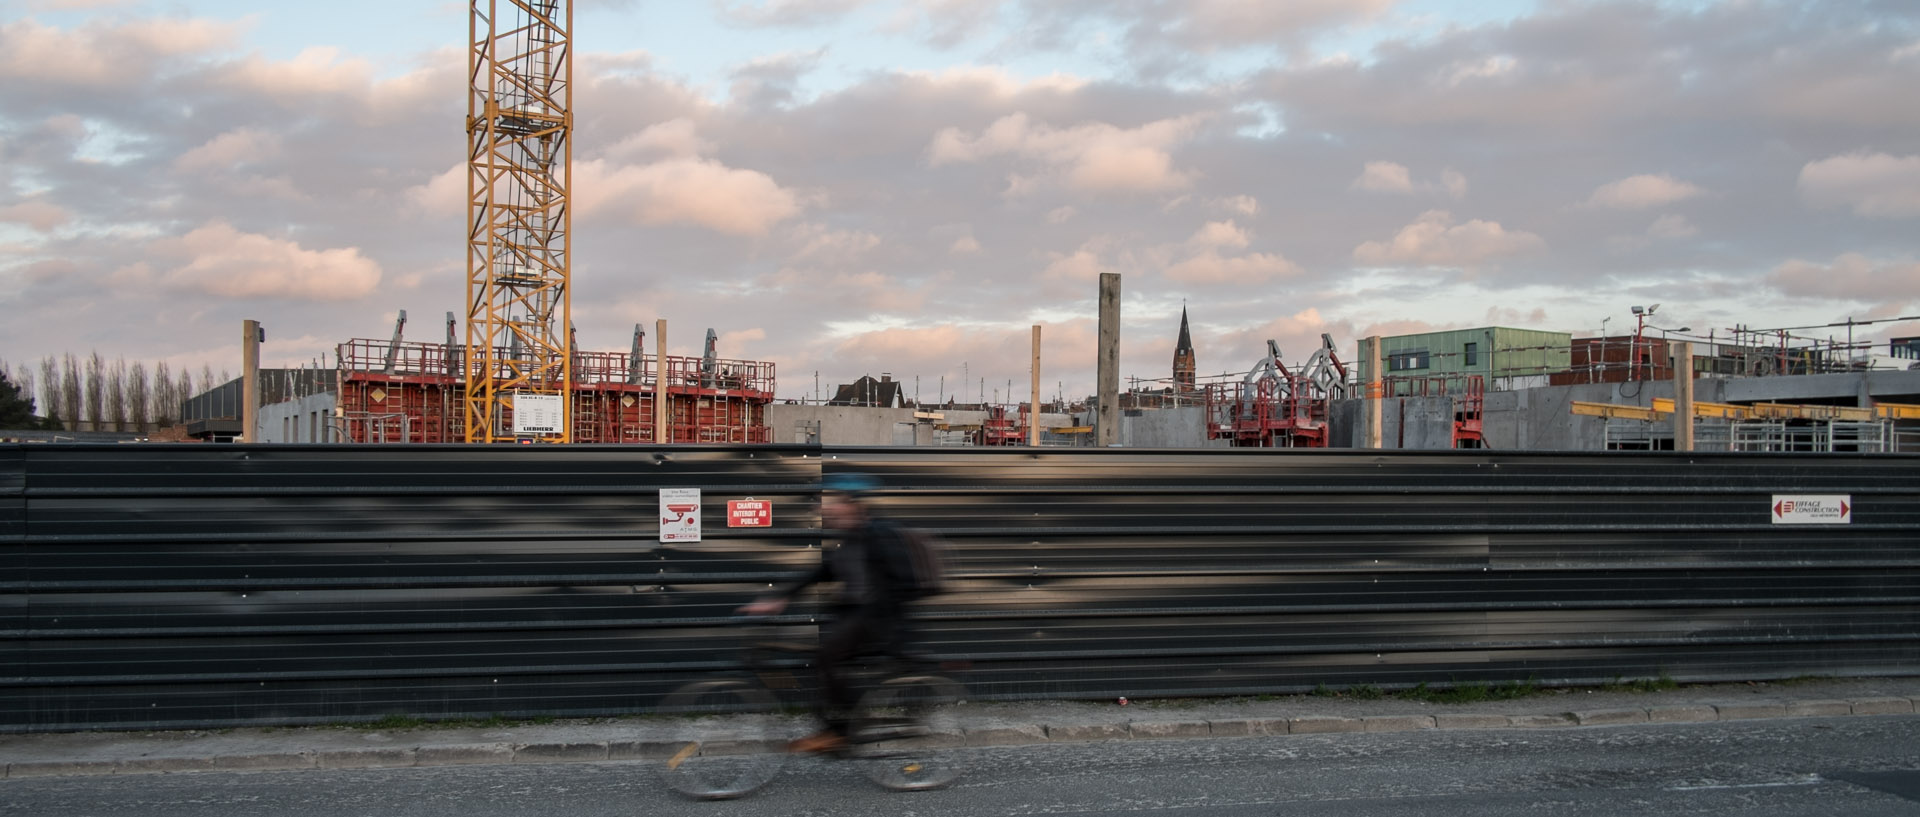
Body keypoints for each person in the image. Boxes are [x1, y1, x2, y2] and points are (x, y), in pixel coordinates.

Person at [736, 473, 918, 754]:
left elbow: (902, 584)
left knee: (827, 658)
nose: (827, 510)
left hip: (879, 620)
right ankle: (838, 727)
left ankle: (841, 731)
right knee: (822, 662)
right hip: (856, 617)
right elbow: (822, 572)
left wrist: (880, 622)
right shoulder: (851, 539)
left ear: (854, 505)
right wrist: (780, 597)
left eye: (835, 503)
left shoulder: (881, 535)